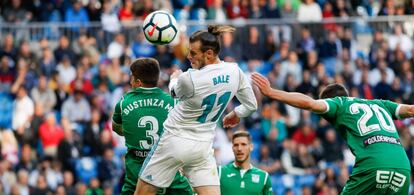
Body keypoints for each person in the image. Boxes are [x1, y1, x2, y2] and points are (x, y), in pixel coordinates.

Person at [136, 25, 258, 195]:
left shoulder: (189, 78)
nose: (188, 56)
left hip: (173, 142)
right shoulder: (235, 71)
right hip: (202, 147)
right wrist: (237, 113)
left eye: (193, 53)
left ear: (208, 54)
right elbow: (252, 105)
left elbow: (173, 92)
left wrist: (174, 77)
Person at [251, 72, 412, 194]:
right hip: (403, 168)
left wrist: (272, 93)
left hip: (374, 165)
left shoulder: (339, 103)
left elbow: (309, 103)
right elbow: (411, 109)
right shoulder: (380, 104)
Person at [111, 58, 193, 195]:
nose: (130, 82)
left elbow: (116, 128)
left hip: (135, 176)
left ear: (138, 82)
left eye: (132, 77)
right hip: (168, 174)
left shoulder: (123, 102)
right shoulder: (172, 102)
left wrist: (133, 132)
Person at [219, 131, 272, 195]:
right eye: (236, 145)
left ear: (251, 147)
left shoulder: (264, 177)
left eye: (243, 144)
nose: (239, 148)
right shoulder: (220, 172)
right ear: (232, 148)